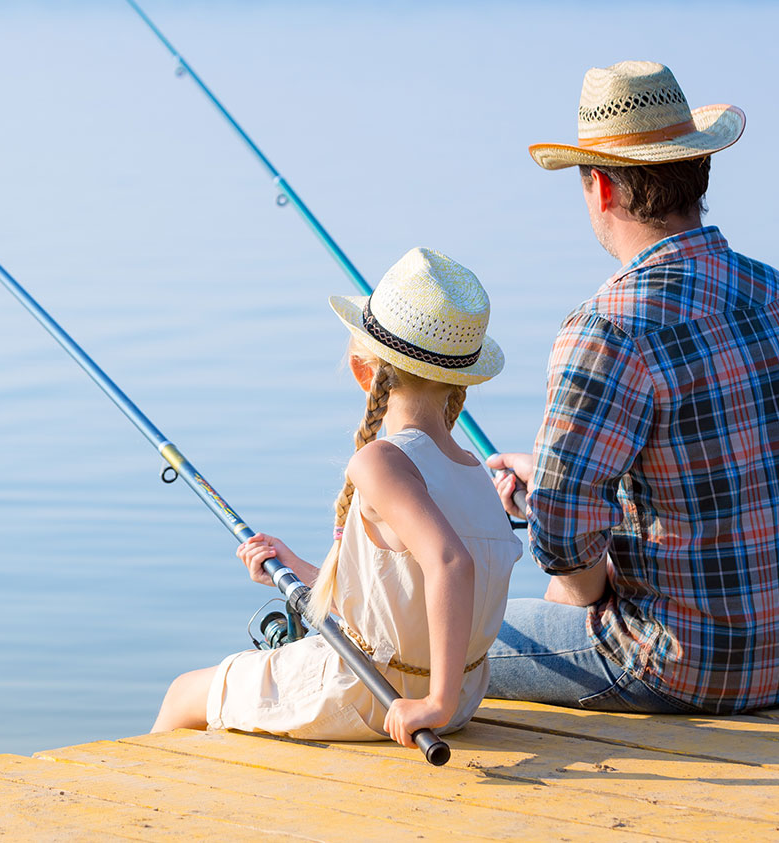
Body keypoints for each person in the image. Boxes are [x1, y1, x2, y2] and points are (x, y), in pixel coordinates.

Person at [485, 60, 779, 715]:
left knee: (432, 632)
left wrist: (581, 569)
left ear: (599, 188)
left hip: (679, 670)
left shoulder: (608, 329)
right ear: (698, 171)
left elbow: (564, 541)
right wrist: (550, 475)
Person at [153, 248, 521, 750]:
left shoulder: (380, 462)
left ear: (362, 371)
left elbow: (450, 564)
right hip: (456, 698)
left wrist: (433, 703)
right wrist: (302, 569)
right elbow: (401, 588)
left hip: (370, 695)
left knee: (182, 695)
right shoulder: (474, 473)